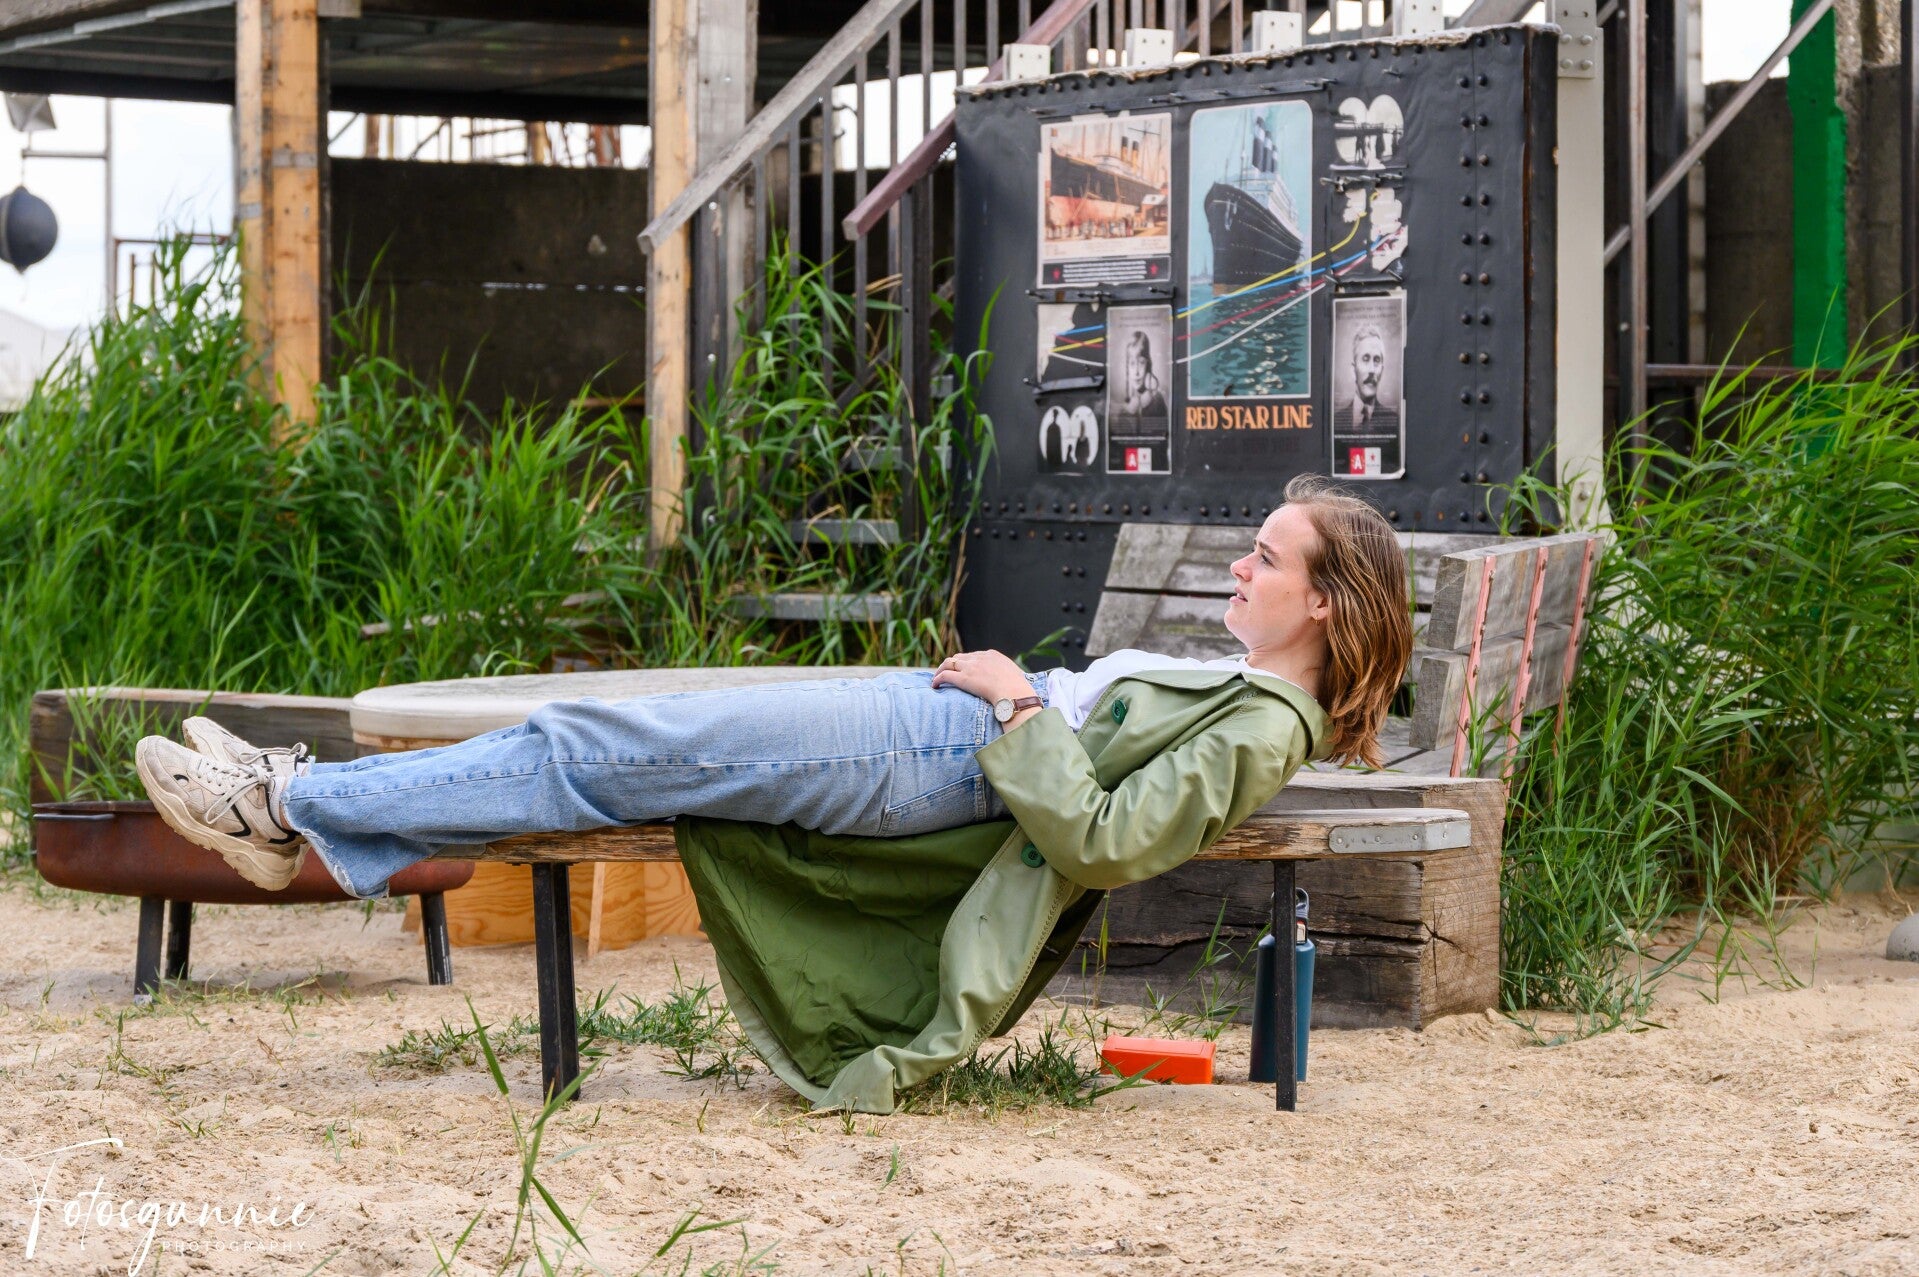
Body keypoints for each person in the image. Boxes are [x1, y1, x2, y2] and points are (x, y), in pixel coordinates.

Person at [134, 476, 1410, 1111]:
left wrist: (1020, 707)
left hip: (934, 758)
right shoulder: (1246, 686)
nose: (1237, 567)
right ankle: (298, 811)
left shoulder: (1265, 722)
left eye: (1264, 558)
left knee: (597, 741)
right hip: (934, 731)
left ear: (1324, 602)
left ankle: (288, 803)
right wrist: (1009, 700)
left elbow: (1110, 839)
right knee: (608, 740)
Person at [1333, 322, 1399, 432]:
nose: (1372, 370)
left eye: (1376, 360)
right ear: (1353, 370)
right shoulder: (1335, 421)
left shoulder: (1395, 422)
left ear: (1382, 371)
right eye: (1365, 359)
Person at [1118, 329, 1167, 421]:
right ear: (1127, 368)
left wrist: (1149, 405)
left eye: (1141, 363)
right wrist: (1128, 412)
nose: (1136, 372)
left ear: (1147, 365)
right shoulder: (1124, 406)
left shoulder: (1157, 400)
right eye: (1132, 364)